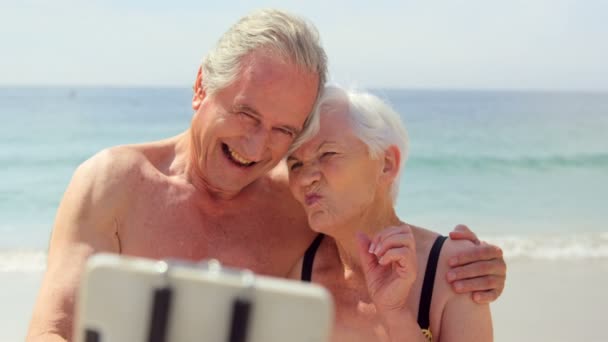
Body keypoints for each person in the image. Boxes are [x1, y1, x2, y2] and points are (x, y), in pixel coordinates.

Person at [27, 9, 505, 342]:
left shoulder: (296, 198)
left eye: (283, 131)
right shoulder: (113, 184)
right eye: (246, 115)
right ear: (201, 87)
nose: (257, 147)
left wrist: (469, 266)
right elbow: (51, 330)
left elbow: (369, 221)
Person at [287, 86, 493, 341]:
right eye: (295, 164)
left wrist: (395, 313)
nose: (306, 178)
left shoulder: (454, 270)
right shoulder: (294, 270)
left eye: (327, 154)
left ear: (387, 164)